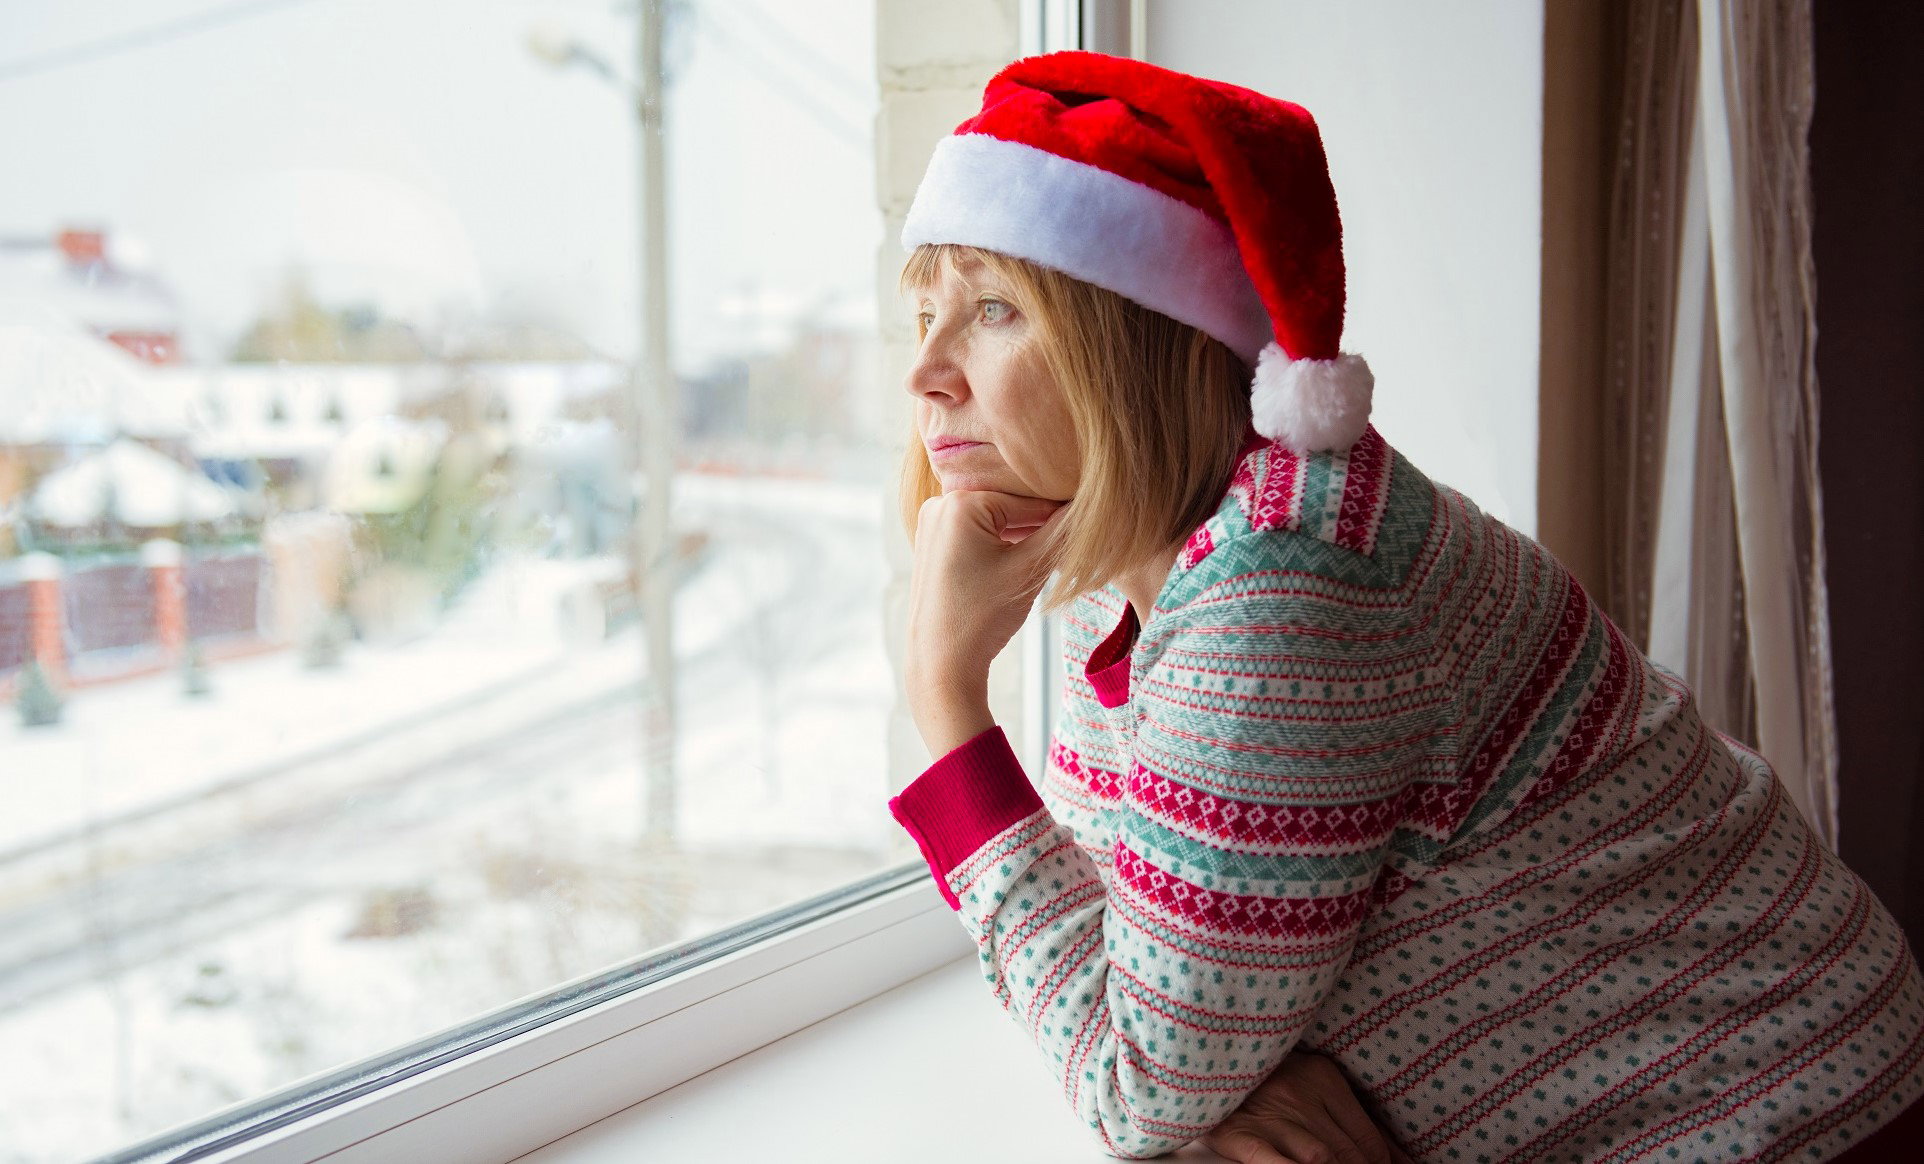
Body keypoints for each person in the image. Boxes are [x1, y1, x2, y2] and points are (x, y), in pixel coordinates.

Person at [884, 50, 1924, 1163]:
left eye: (995, 309)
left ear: (1143, 340)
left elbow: (1136, 1084)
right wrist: (1229, 1081)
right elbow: (1148, 961)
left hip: (1779, 1116)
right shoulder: (1137, 558)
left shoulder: (1285, 585)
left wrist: (946, 696)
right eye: (926, 313)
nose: (927, 373)